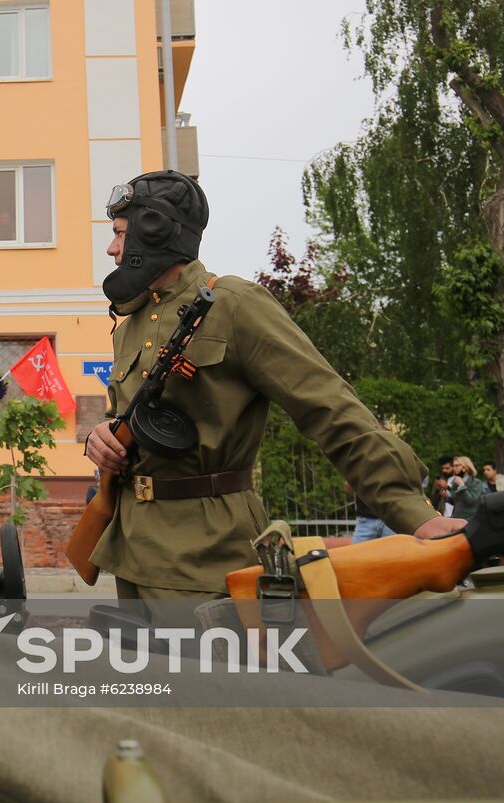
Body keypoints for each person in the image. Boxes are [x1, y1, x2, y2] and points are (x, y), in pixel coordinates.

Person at [83, 171, 462, 618]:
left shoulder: (234, 305)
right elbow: (128, 419)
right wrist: (101, 436)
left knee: (212, 686)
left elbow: (328, 405)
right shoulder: (132, 324)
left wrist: (413, 512)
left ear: (155, 231)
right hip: (131, 549)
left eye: (120, 234)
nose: (112, 249)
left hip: (205, 553)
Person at [447, 455, 489, 519]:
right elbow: (454, 498)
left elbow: (471, 501)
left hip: (471, 519)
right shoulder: (456, 482)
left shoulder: (476, 482)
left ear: (465, 468)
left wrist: (461, 485)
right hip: (457, 517)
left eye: (457, 466)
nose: (454, 468)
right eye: (453, 466)